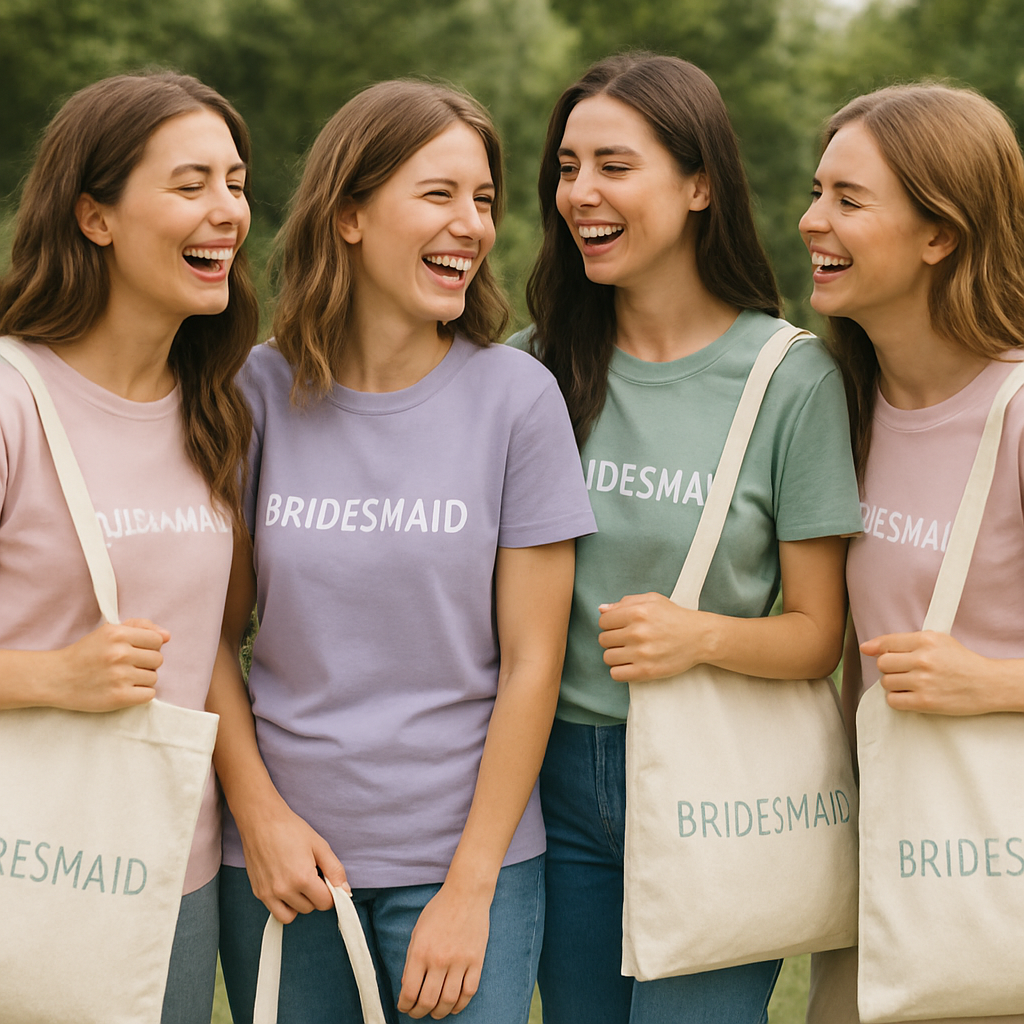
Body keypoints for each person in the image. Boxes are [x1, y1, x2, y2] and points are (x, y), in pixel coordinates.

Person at [210, 79, 596, 1024]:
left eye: (485, 201)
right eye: (439, 194)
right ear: (348, 213)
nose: (471, 224)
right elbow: (211, 635)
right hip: (281, 865)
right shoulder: (253, 391)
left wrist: (470, 890)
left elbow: (534, 662)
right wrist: (259, 818)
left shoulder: (518, 399)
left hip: (466, 865)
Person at [510, 52, 863, 1024]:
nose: (581, 192)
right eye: (568, 167)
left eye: (614, 166)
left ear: (699, 182)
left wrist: (696, 635)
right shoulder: (527, 371)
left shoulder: (789, 380)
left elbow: (814, 635)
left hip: (718, 785)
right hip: (547, 780)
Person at [0, 72, 258, 1022]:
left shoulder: (217, 415)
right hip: (19, 864)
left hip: (165, 874)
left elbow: (216, 653)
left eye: (235, 184)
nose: (226, 211)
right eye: (190, 185)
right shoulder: (11, 400)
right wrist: (51, 677)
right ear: (94, 217)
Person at [799, 83, 1024, 1023]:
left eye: (850, 201)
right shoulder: (838, 409)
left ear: (941, 233)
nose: (813, 221)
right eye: (817, 192)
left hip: (995, 870)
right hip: (882, 866)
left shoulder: (1015, 414)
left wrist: (995, 681)